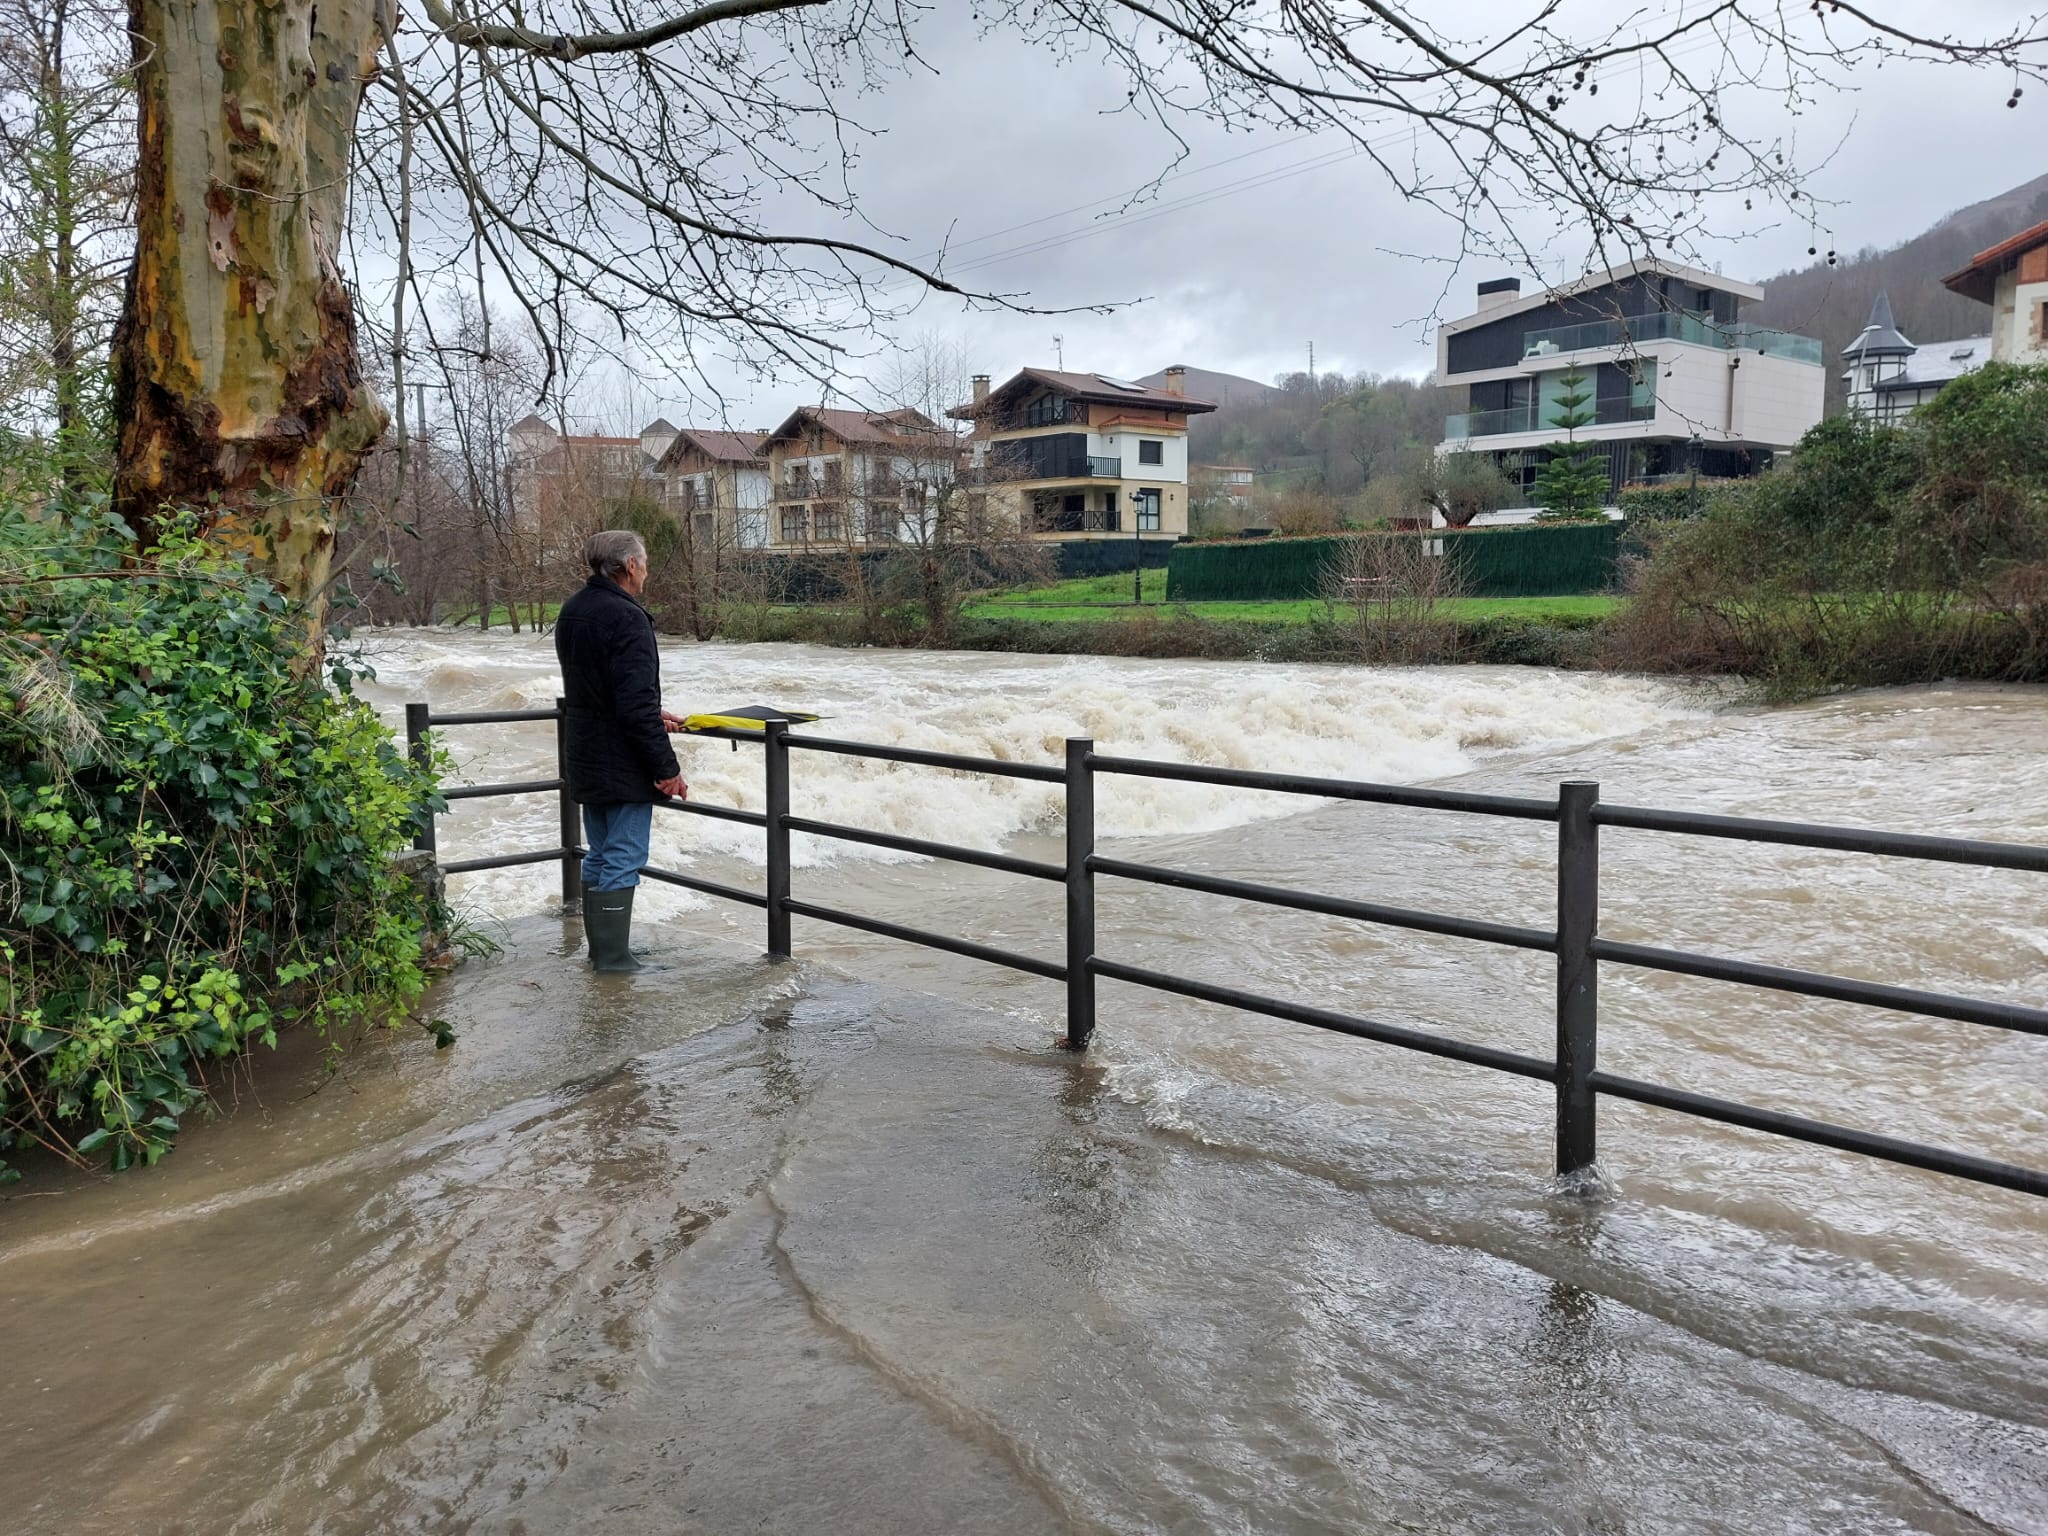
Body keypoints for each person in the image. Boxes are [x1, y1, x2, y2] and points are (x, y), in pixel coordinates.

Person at [554, 529, 687, 971]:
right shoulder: (627, 617)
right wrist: (667, 768)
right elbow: (631, 705)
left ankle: (603, 951)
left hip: (586, 752)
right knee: (625, 856)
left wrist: (653, 709)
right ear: (630, 566)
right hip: (622, 761)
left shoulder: (574, 610)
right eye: (644, 564)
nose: (647, 572)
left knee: (601, 851)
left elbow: (599, 689)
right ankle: (613, 960)